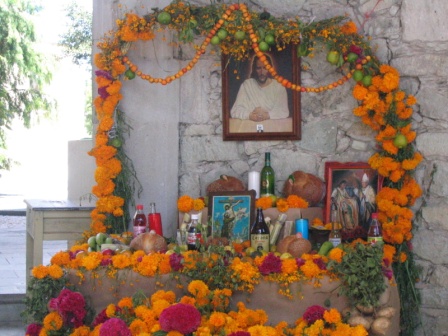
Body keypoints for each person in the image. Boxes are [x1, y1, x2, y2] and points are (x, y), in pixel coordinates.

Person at [230, 54, 290, 122]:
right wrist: (250, 115)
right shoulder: (247, 85)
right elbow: (235, 110)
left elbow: (284, 111)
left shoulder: (279, 87)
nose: (262, 72)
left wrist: (267, 115)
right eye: (258, 68)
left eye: (265, 68)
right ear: (254, 69)